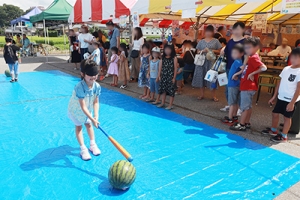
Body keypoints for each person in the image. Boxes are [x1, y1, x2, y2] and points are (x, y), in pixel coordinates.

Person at [261, 48, 300, 142]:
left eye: (296, 57)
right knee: (274, 113)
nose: (293, 59)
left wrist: (292, 103)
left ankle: (283, 136)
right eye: (292, 57)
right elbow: (279, 83)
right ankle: (273, 130)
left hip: (290, 99)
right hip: (281, 97)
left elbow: (298, 89)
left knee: (287, 118)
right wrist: (274, 96)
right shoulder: (286, 69)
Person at [230, 37, 267, 131]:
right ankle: (246, 122)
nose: (247, 50)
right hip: (247, 85)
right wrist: (238, 74)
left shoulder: (254, 57)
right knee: (248, 106)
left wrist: (252, 73)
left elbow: (264, 68)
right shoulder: (251, 57)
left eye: (249, 47)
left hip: (248, 86)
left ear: (256, 47)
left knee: (244, 107)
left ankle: (242, 124)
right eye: (246, 47)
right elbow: (245, 69)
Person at [67, 60, 101, 160]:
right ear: (83, 74)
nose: (93, 77)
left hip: (88, 110)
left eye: (95, 74)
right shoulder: (79, 87)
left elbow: (96, 102)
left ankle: (92, 144)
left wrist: (96, 116)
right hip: (76, 111)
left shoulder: (97, 86)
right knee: (79, 127)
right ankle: (83, 149)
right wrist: (93, 119)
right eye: (90, 74)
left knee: (89, 124)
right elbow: (82, 107)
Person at [192, 25, 222, 102]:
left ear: (212, 32)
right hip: (202, 62)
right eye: (207, 31)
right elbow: (197, 51)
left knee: (212, 78)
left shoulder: (216, 41)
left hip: (211, 61)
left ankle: (213, 95)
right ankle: (201, 94)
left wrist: (210, 50)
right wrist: (203, 51)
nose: (208, 33)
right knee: (201, 77)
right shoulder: (201, 41)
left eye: (210, 31)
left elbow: (220, 51)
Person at [220, 22, 245, 112]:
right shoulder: (230, 41)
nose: (236, 31)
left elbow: (247, 56)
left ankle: (239, 108)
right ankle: (231, 105)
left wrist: (244, 67)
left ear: (243, 30)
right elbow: (225, 52)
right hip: (228, 67)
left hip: (239, 69)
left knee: (238, 89)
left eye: (238, 29)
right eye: (235, 29)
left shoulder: (245, 42)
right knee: (228, 89)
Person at [221, 44, 244, 124]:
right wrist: (237, 74)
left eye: (235, 53)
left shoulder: (238, 61)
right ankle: (234, 116)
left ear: (241, 53)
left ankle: (230, 118)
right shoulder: (238, 61)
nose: (233, 55)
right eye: (233, 53)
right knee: (235, 102)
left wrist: (236, 74)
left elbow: (244, 69)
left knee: (232, 103)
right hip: (235, 84)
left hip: (232, 85)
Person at [157, 44, 177, 110]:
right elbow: (160, 67)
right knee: (163, 90)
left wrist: (174, 77)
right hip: (164, 76)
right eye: (166, 49)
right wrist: (159, 75)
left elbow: (175, 68)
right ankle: (163, 102)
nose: (167, 51)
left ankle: (170, 104)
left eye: (169, 49)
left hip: (170, 76)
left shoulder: (174, 58)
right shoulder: (163, 58)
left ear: (172, 50)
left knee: (171, 91)